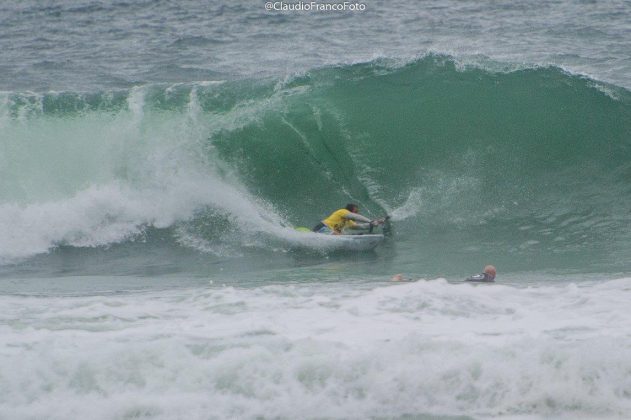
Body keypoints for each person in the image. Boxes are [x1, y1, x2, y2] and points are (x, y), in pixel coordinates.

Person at [312, 203, 384, 235]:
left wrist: (376, 223)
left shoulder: (348, 221)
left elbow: (360, 226)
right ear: (350, 211)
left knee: (341, 235)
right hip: (323, 227)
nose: (357, 213)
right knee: (339, 235)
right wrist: (371, 221)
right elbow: (356, 217)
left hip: (330, 232)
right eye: (355, 212)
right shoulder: (343, 211)